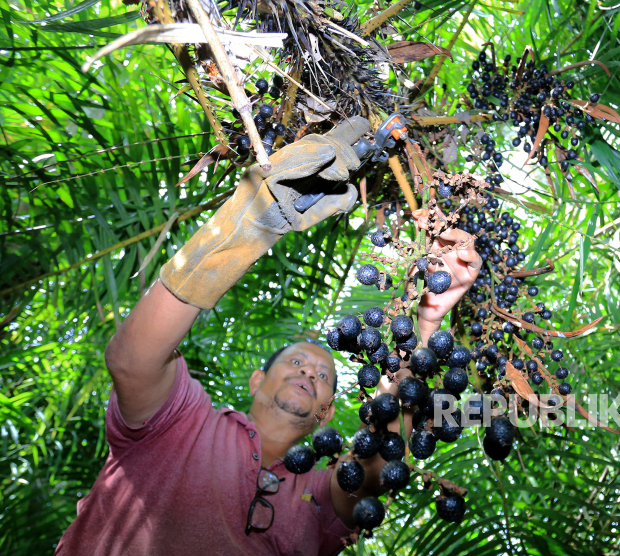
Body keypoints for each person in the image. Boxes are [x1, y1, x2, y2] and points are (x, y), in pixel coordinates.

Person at [56, 117, 482, 555]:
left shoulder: (320, 487)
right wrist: (250, 224)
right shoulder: (184, 421)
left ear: (327, 411)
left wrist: (427, 320)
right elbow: (132, 361)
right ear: (256, 380)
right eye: (297, 363)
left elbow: (376, 469)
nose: (310, 373)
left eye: (322, 376)